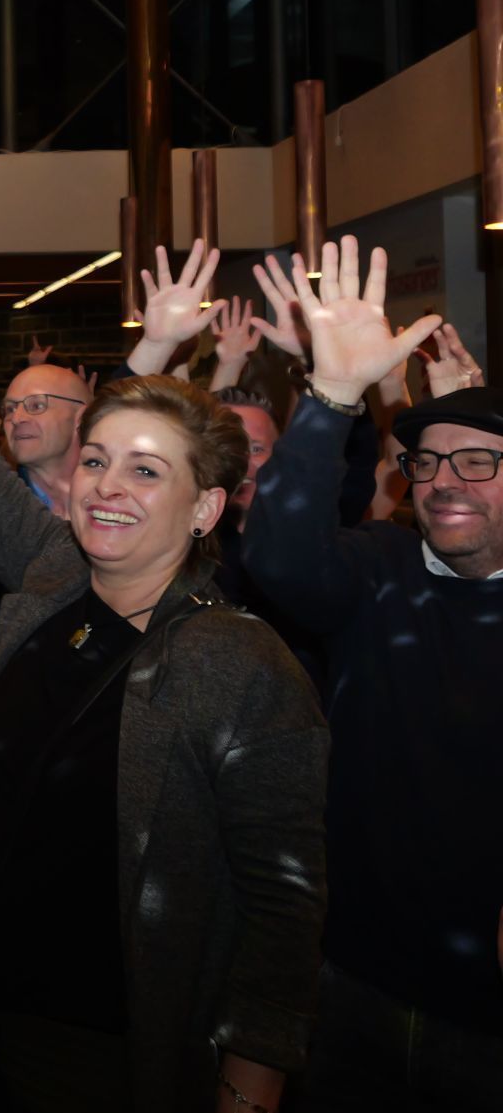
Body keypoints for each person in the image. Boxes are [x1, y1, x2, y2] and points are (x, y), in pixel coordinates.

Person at [0, 169, 326, 1113]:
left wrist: (250, 1087)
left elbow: (283, 905)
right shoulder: (49, 578)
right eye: (95, 459)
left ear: (206, 507)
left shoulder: (241, 664)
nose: (107, 485)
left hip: (94, 1049)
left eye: (146, 469)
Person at [239, 237, 503, 1111]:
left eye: (478, 461)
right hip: (354, 984)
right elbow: (275, 555)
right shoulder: (380, 569)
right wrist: (333, 396)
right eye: (425, 460)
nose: (443, 480)